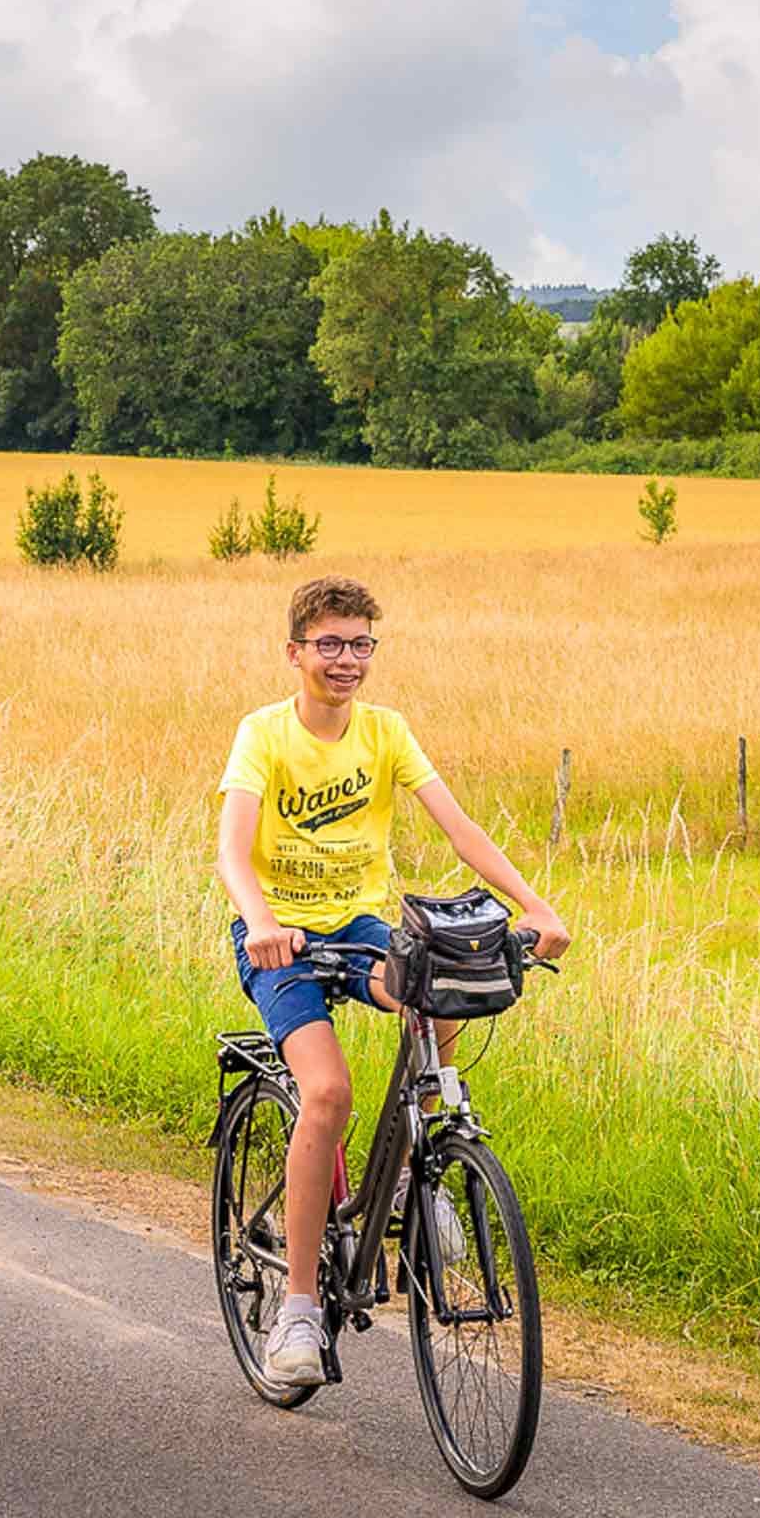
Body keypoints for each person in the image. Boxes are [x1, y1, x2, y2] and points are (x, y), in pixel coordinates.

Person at [214, 573, 569, 1390]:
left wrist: (533, 902)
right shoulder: (264, 734)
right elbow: (234, 845)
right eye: (331, 644)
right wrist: (262, 921)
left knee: (445, 971)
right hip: (282, 936)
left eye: (362, 643)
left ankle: (424, 1162)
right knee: (328, 1094)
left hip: (361, 922)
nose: (348, 660)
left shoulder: (386, 732)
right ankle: (299, 1309)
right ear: (295, 651)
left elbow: (459, 825)